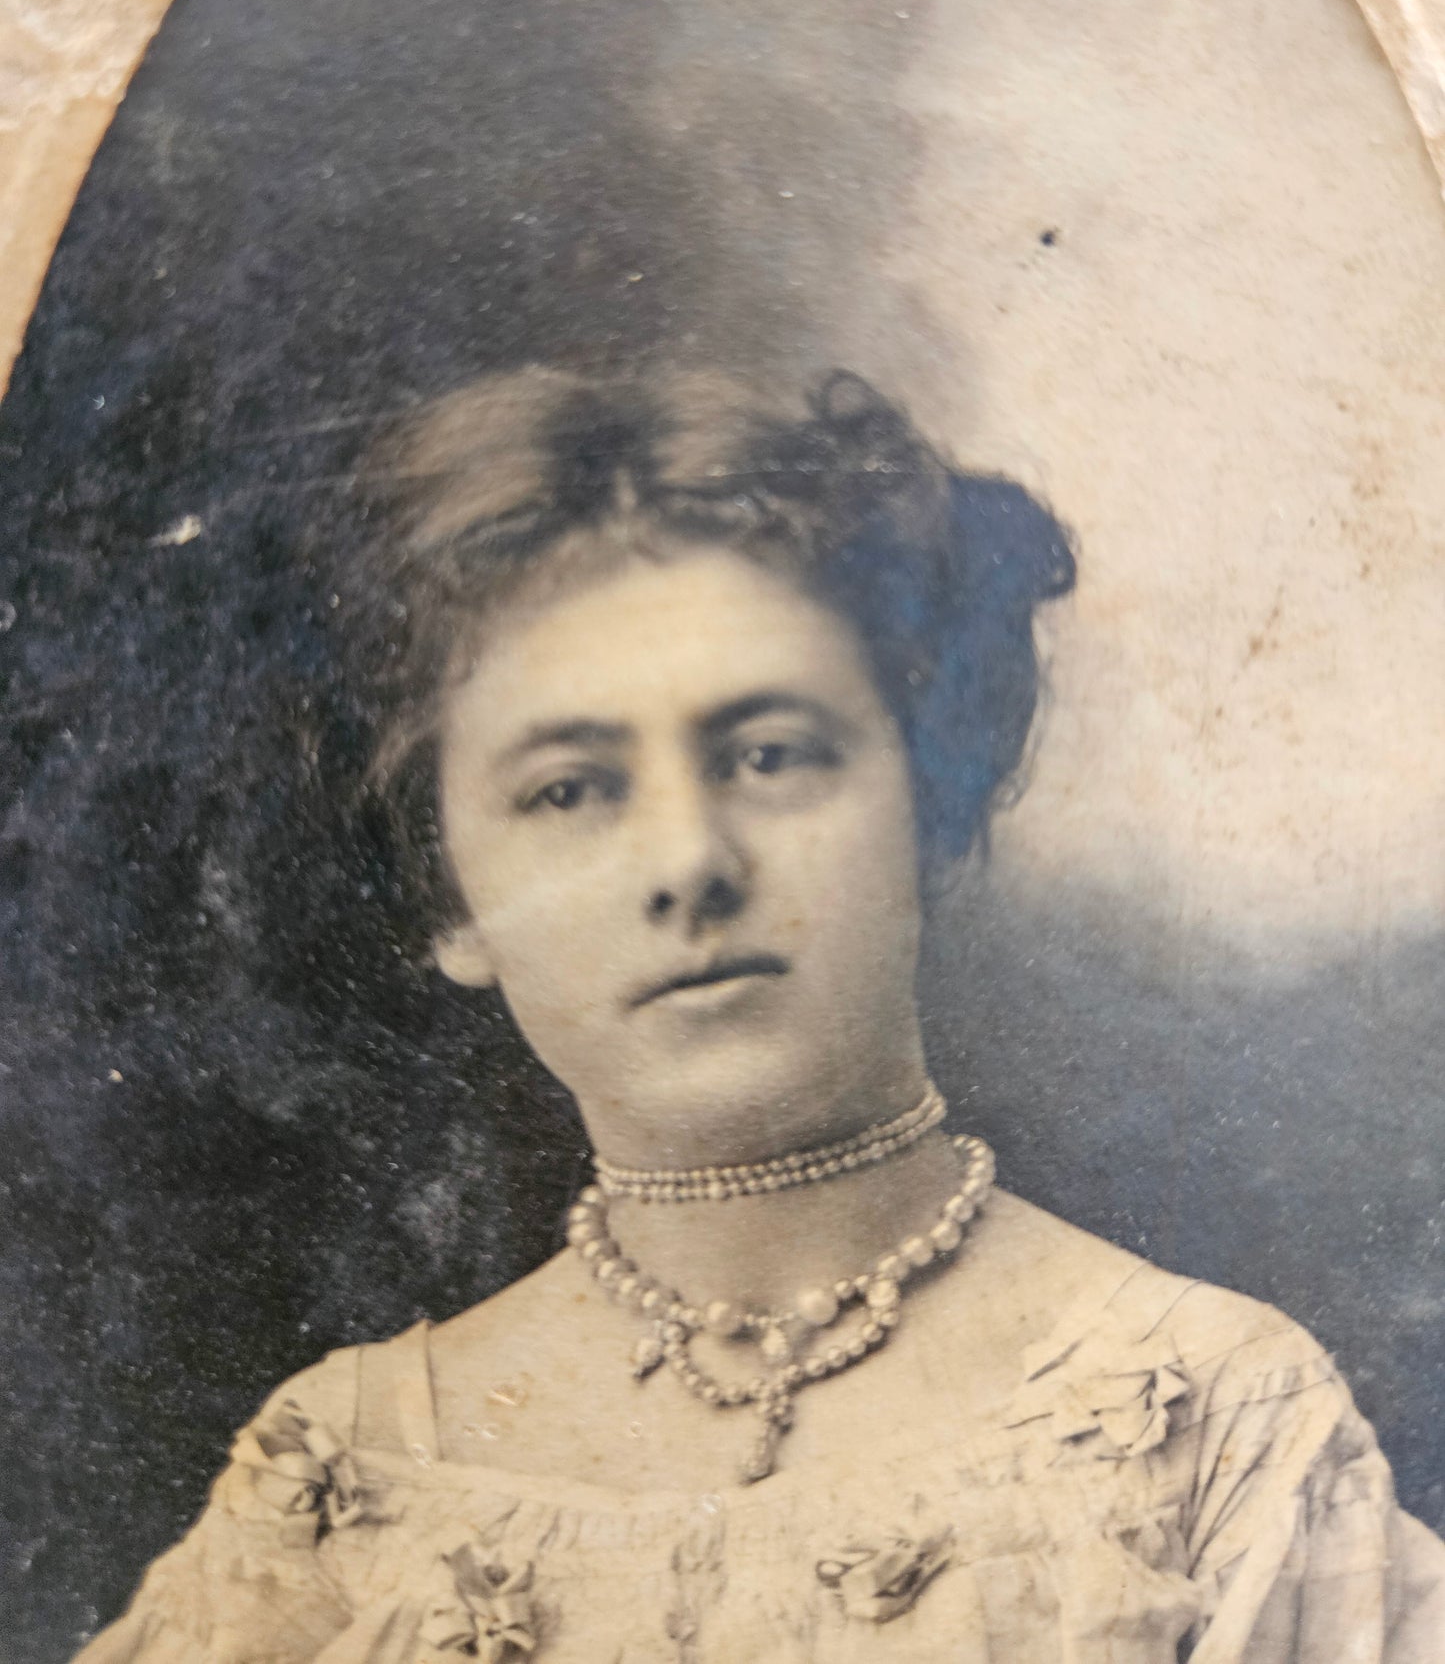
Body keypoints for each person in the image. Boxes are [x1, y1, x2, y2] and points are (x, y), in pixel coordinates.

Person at [77, 365, 1444, 1662]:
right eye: (569, 790)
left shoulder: (1210, 1418)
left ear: (923, 802)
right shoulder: (340, 1475)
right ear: (451, 904)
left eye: (769, 754)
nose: (690, 861)